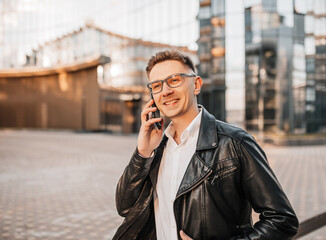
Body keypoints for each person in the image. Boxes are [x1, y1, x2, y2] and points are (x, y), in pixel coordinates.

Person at [112, 50, 298, 240]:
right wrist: (142, 153)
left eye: (174, 80)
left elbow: (282, 221)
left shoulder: (235, 143)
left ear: (196, 84)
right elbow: (125, 207)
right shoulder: (155, 148)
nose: (166, 91)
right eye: (157, 85)